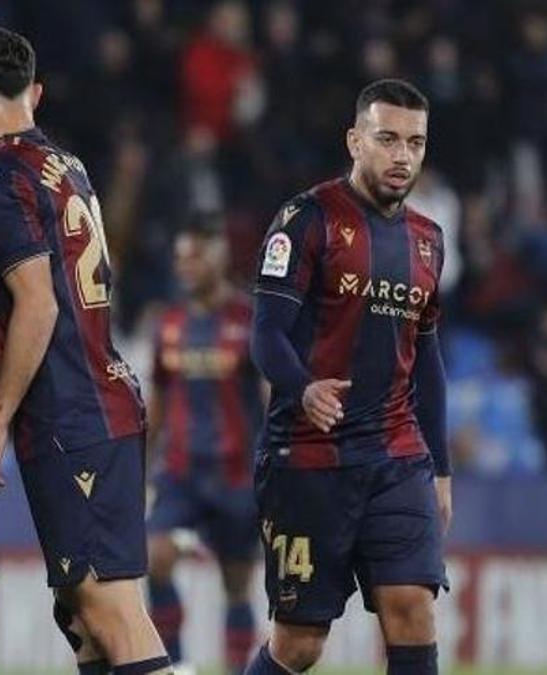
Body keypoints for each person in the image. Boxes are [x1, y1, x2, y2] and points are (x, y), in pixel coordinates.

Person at [0, 26, 172, 675]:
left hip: (74, 411)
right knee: (81, 618)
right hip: (102, 397)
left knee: (109, 609)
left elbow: (39, 304)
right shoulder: (65, 166)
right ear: (36, 94)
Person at [244, 78, 451, 675]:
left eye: (415, 142)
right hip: (309, 456)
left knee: (413, 610)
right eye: (387, 139)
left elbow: (427, 357)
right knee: (299, 645)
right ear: (355, 141)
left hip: (396, 456)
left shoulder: (429, 240)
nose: (402, 155)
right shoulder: (306, 219)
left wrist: (440, 468)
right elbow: (267, 333)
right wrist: (303, 387)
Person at [146, 219, 262, 675]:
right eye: (180, 258)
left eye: (195, 256)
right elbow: (158, 400)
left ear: (220, 256)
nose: (186, 266)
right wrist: (141, 467)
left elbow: (271, 400)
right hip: (180, 472)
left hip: (236, 474)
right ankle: (178, 666)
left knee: (236, 584)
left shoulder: (249, 320)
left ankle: (237, 670)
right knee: (156, 557)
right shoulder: (169, 323)